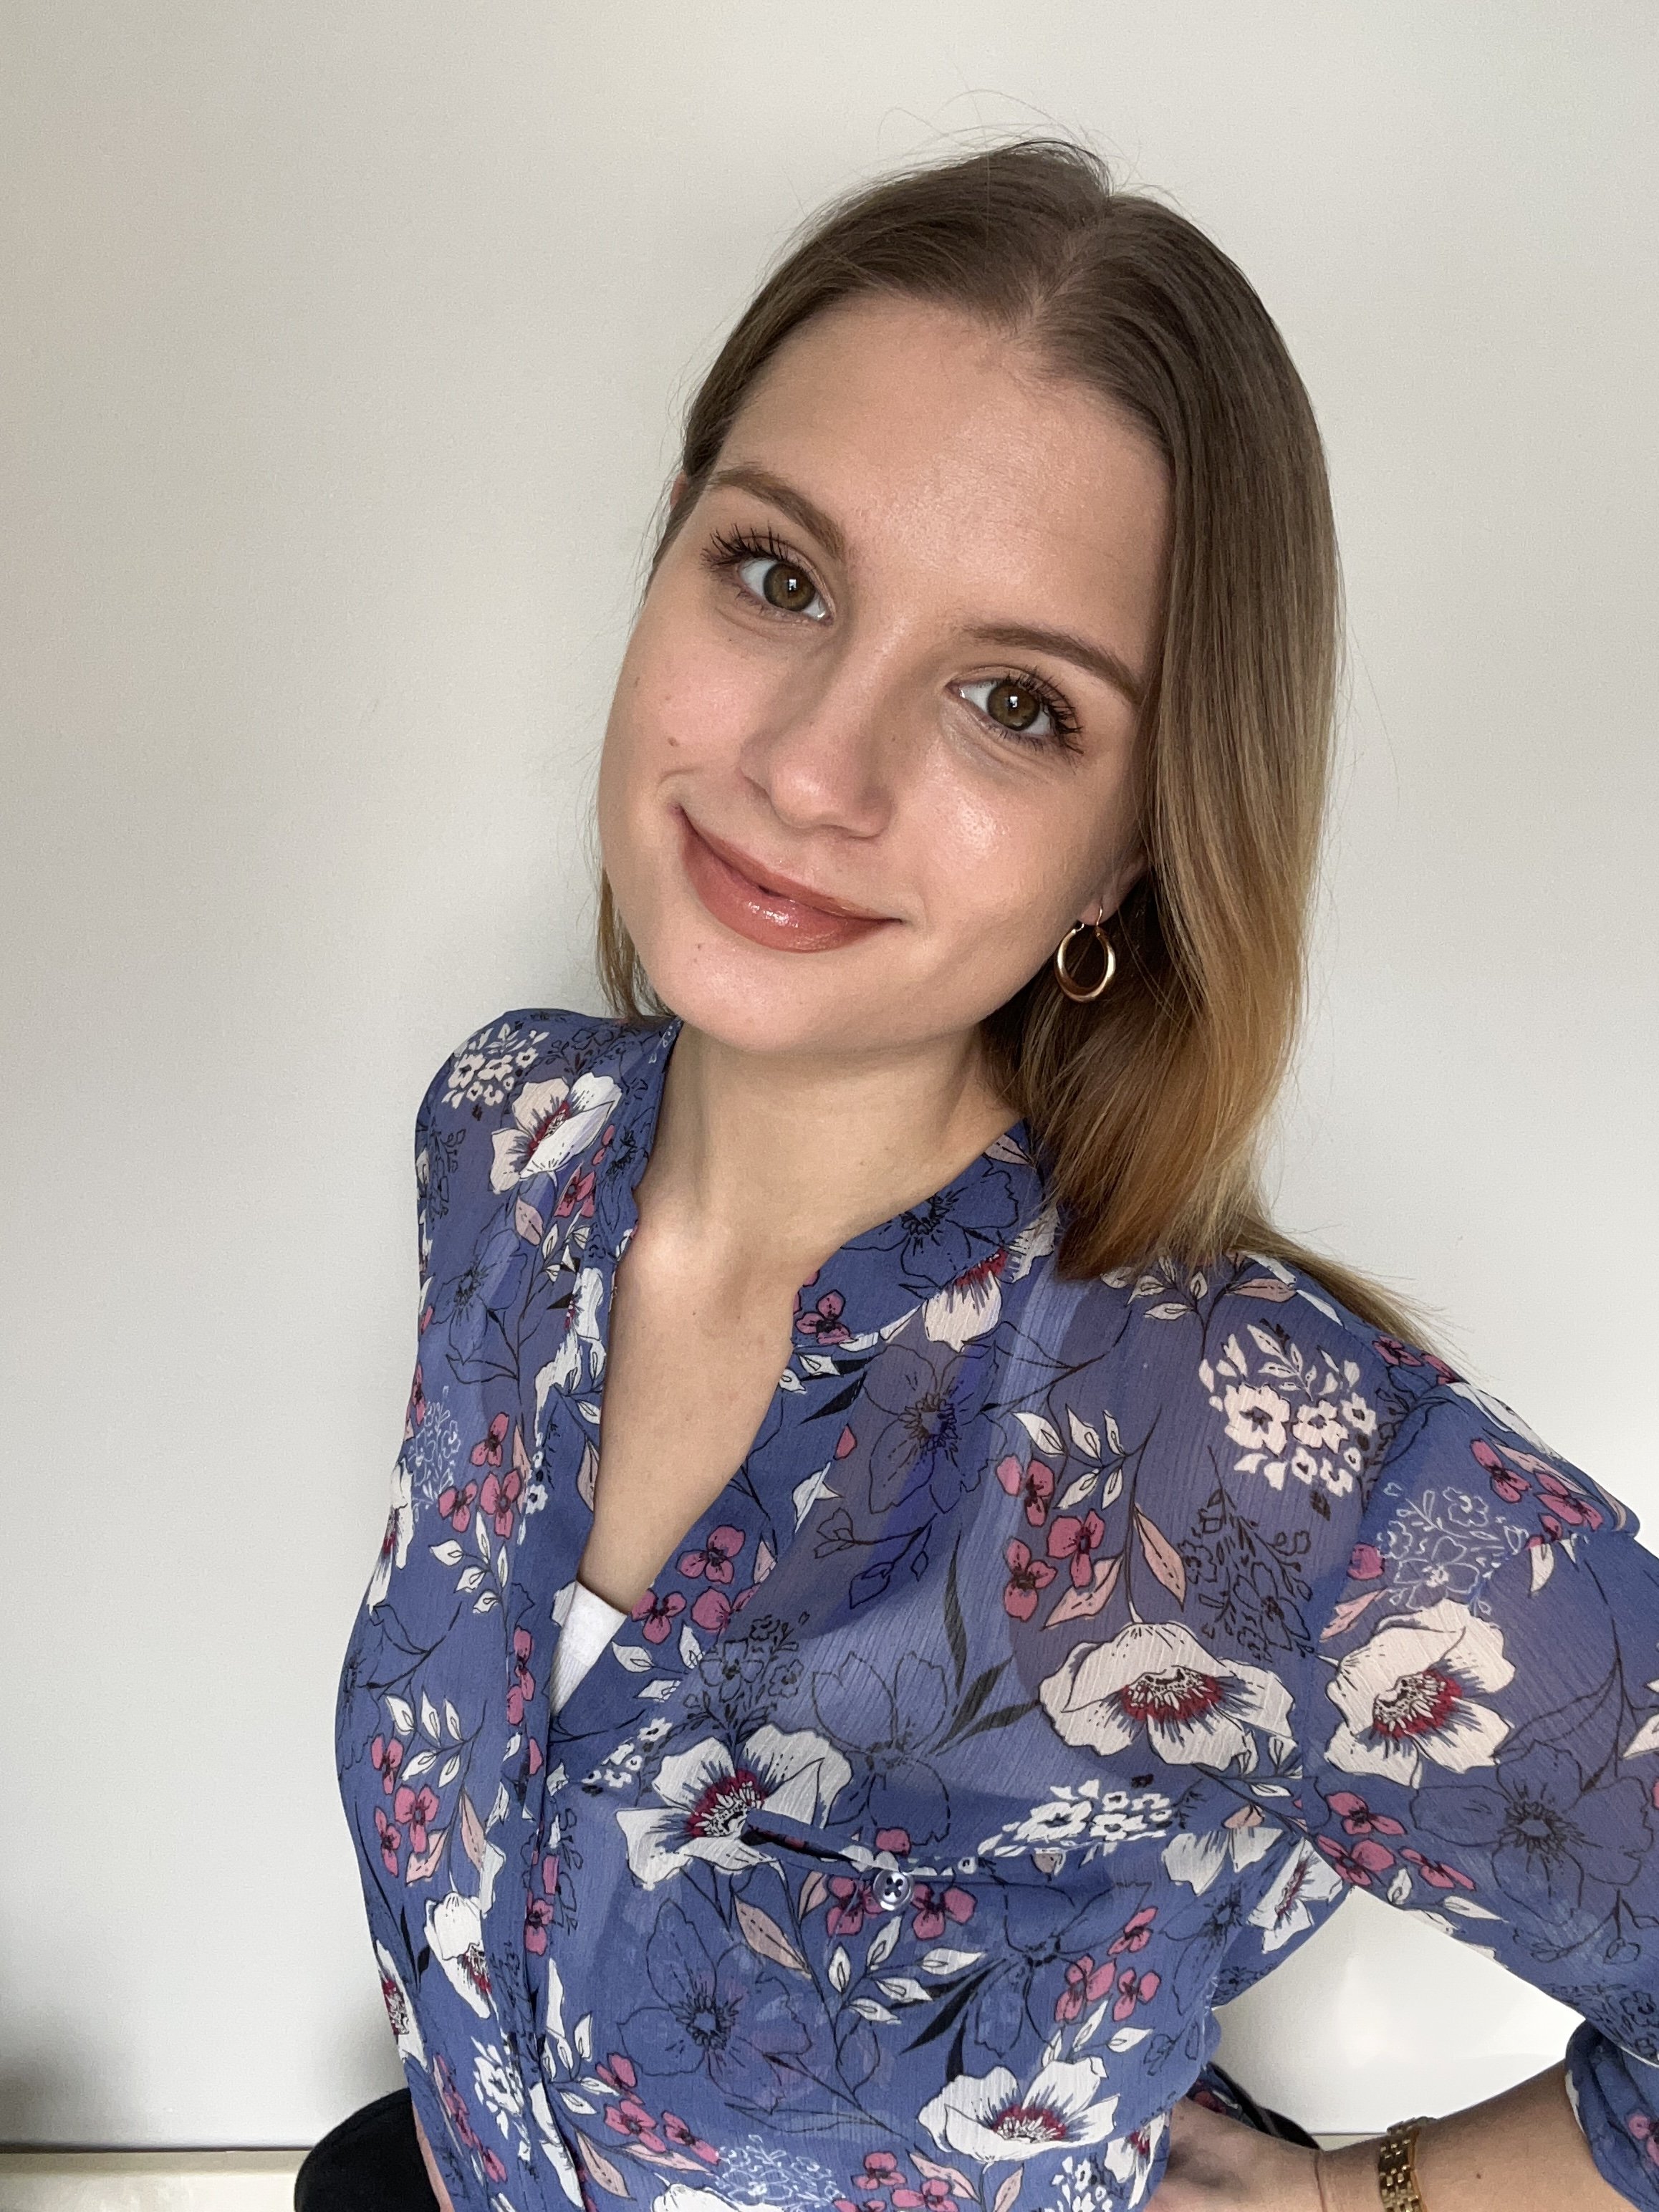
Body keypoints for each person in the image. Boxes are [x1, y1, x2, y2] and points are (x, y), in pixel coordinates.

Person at [316, 139, 1658, 2212]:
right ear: (663, 551)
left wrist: (1357, 2200)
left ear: (1134, 840)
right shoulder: (505, 1139)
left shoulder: (1247, 1476)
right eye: (775, 575)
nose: (808, 769)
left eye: (1013, 704)